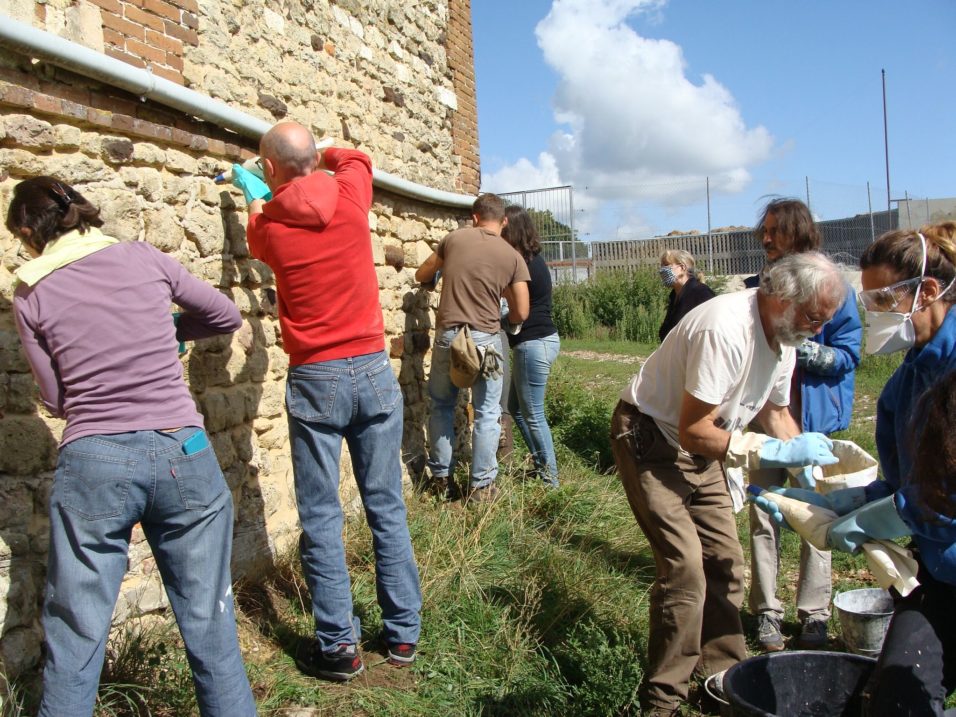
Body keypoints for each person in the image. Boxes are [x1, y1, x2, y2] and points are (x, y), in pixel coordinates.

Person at [6, 177, 256, 716]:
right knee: (210, 619)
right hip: (181, 449)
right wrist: (168, 330)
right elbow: (224, 315)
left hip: (94, 455)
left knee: (76, 630)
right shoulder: (143, 257)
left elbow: (54, 398)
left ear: (30, 230)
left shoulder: (29, 289)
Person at [610, 251, 845, 716]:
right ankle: (663, 701)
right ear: (780, 299)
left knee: (726, 563)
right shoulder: (725, 328)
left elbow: (775, 414)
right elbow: (696, 429)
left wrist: (813, 477)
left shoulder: (785, 336)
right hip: (651, 438)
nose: (819, 330)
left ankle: (724, 682)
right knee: (686, 574)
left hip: (702, 444)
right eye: (815, 317)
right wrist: (765, 452)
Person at [232, 122, 422, 680]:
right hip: (370, 366)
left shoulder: (268, 228)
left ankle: (339, 647)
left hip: (316, 377)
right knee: (385, 505)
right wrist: (320, 154)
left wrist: (261, 191)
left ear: (270, 171)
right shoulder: (349, 195)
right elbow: (356, 156)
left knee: (320, 515)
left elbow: (255, 226)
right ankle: (403, 634)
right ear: (315, 158)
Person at [756, 223, 956, 715]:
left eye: (881, 299)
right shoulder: (906, 384)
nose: (871, 315)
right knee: (895, 698)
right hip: (938, 572)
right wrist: (848, 503)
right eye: (867, 302)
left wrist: (881, 518)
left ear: (926, 290)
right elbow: (903, 482)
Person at [744, 198, 862, 651]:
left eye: (776, 230)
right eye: (765, 231)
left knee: (817, 514)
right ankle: (767, 612)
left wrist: (801, 346)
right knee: (763, 511)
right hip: (762, 423)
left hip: (809, 426)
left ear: (799, 234)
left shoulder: (837, 288)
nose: (767, 239)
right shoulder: (758, 287)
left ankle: (814, 614)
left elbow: (849, 355)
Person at [415, 194, 530, 503]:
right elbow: (522, 311)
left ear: (475, 217)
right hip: (489, 343)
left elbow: (423, 273)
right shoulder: (512, 256)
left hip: (449, 338)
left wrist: (432, 280)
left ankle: (442, 480)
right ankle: (481, 487)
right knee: (488, 412)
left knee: (440, 403)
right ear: (504, 222)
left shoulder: (452, 240)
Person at [501, 205, 561, 486]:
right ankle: (541, 466)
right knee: (516, 408)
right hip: (543, 341)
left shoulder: (520, 262)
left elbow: (519, 311)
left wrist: (501, 320)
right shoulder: (533, 258)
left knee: (534, 415)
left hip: (532, 343)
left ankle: (551, 481)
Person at [657, 249, 715, 341]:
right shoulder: (674, 295)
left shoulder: (701, 293)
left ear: (682, 268)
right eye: (662, 266)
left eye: (666, 265)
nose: (662, 270)